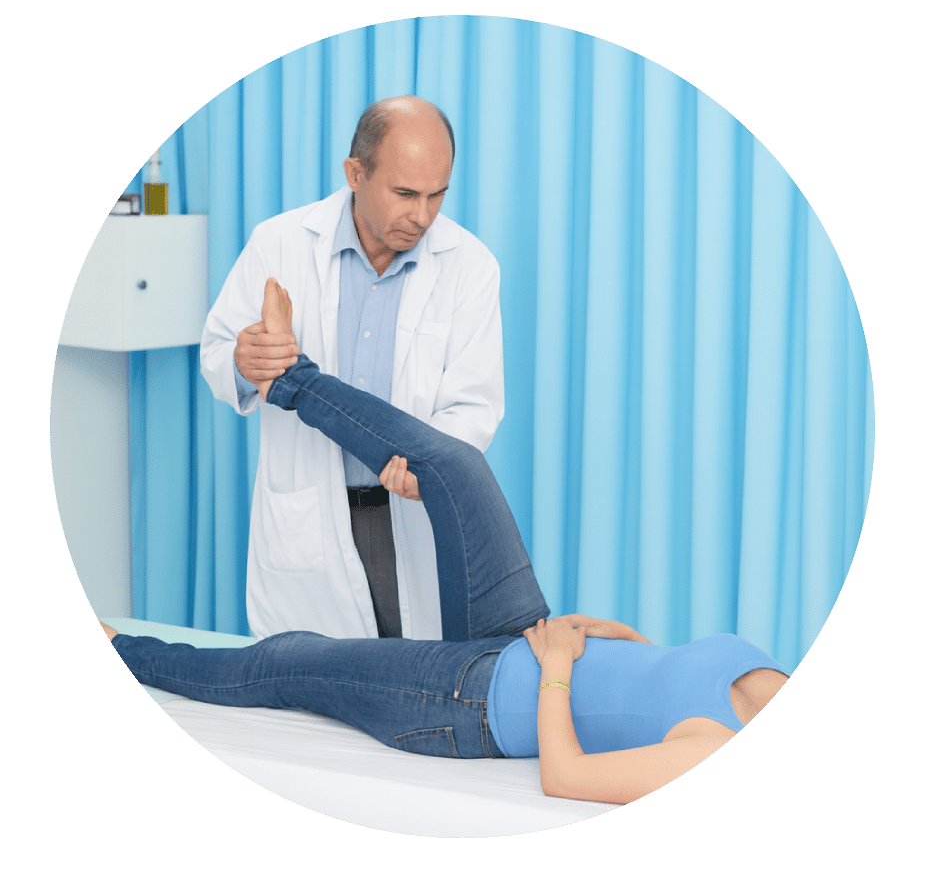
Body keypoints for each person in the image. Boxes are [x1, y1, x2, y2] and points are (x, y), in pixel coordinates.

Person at [104, 279, 789, 806]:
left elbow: (566, 776)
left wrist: (557, 669)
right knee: (456, 464)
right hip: (529, 633)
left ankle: (122, 651)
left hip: (471, 702)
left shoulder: (714, 754)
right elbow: (660, 684)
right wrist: (614, 638)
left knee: (295, 661)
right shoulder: (776, 678)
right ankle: (289, 378)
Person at [200, 96, 504, 641]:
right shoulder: (279, 243)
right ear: (355, 174)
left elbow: (475, 403)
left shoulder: (470, 265)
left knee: (408, 677)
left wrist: (432, 463)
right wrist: (245, 362)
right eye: (405, 194)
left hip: (410, 515)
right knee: (303, 679)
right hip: (310, 516)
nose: (423, 216)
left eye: (437, 195)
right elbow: (218, 353)